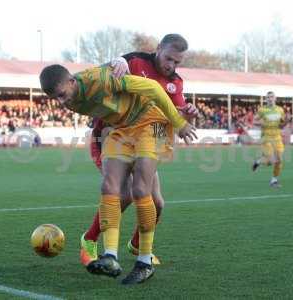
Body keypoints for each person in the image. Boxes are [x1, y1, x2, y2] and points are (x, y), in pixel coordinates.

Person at [39, 64, 196, 284]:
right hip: (122, 128)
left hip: (152, 121)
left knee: (141, 190)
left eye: (62, 95)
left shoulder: (102, 79)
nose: (61, 102)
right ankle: (110, 256)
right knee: (109, 186)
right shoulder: (71, 100)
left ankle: (144, 262)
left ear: (72, 81)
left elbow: (152, 87)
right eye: (56, 98)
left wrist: (179, 123)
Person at [80, 34, 198, 267]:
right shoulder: (133, 62)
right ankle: (90, 240)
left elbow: (174, 111)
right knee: (123, 194)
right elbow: (102, 78)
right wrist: (116, 61)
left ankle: (136, 245)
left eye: (177, 62)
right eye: (168, 59)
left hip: (146, 140)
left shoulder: (175, 82)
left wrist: (188, 112)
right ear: (158, 49)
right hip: (113, 135)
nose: (171, 66)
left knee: (158, 203)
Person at [252, 91, 287, 187]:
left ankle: (274, 180)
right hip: (266, 137)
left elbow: (282, 124)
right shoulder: (262, 110)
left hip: (277, 138)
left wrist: (285, 122)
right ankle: (259, 161)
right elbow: (254, 121)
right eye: (268, 97)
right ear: (266, 99)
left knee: (279, 160)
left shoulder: (280, 110)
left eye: (272, 97)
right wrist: (262, 123)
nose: (270, 98)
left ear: (275, 98)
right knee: (271, 160)